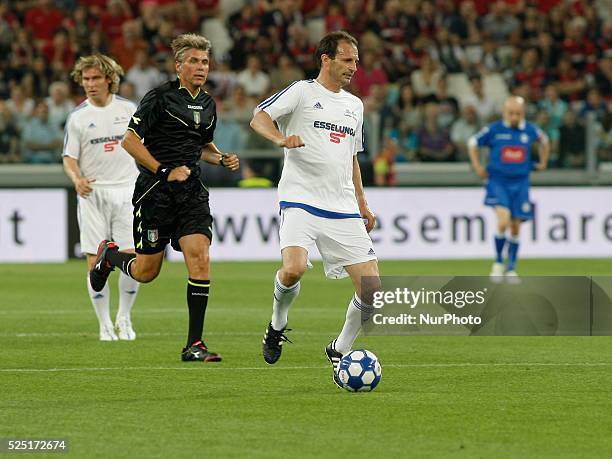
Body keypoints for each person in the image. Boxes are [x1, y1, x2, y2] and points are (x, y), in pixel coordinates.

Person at [88, 33, 239, 362]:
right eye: (194, 62)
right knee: (146, 272)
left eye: (205, 62)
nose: (201, 67)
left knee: (199, 258)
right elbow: (129, 141)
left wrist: (221, 157)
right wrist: (162, 171)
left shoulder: (208, 104)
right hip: (155, 193)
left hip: (191, 194)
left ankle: (194, 345)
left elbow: (201, 147)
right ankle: (110, 256)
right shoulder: (159, 98)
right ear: (179, 65)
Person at [249, 31, 380, 388]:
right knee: (292, 270)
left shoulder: (355, 106)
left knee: (372, 289)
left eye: (356, 61)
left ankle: (340, 349)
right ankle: (277, 324)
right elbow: (259, 116)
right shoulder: (302, 91)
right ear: (326, 59)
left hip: (341, 206)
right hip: (301, 199)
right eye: (348, 60)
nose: (355, 67)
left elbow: (352, 158)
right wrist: (280, 138)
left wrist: (362, 202)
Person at [63, 54, 141, 341]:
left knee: (133, 258)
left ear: (109, 79)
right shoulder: (78, 118)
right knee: (95, 260)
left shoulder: (129, 110)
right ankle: (104, 323)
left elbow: (143, 148)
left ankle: (125, 317)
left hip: (128, 190)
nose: (90, 84)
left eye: (95, 78)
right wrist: (77, 179)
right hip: (93, 194)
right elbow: (69, 158)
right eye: (85, 79)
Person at [468, 96, 550, 281]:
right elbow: (472, 143)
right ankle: (498, 262)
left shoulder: (529, 130)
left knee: (515, 227)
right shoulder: (494, 129)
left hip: (521, 184)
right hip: (498, 182)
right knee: (503, 221)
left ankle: (511, 268)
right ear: (505, 112)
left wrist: (543, 162)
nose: (514, 117)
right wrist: (477, 166)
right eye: (511, 113)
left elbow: (545, 141)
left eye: (518, 114)